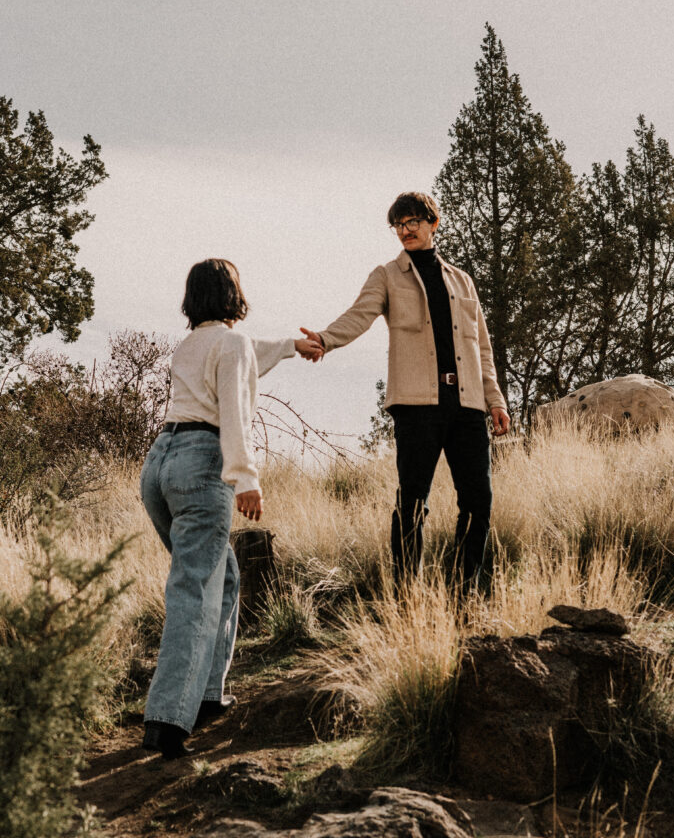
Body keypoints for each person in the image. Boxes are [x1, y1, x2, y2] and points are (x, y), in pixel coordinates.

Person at [140, 258, 323, 759]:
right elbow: (235, 411)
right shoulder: (232, 343)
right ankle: (167, 720)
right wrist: (245, 479)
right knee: (195, 589)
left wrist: (290, 346)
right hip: (203, 462)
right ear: (234, 294)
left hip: (159, 465)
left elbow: (245, 357)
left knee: (220, 577)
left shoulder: (192, 344)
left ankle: (205, 696)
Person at [301, 192, 510, 595]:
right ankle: (405, 595)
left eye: (414, 221)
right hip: (416, 408)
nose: (405, 230)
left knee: (478, 503)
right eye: (399, 224)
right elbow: (359, 315)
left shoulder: (462, 281)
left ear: (433, 223)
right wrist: (326, 339)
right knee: (413, 502)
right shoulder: (387, 276)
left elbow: (481, 346)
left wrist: (495, 400)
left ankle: (467, 594)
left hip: (467, 407)